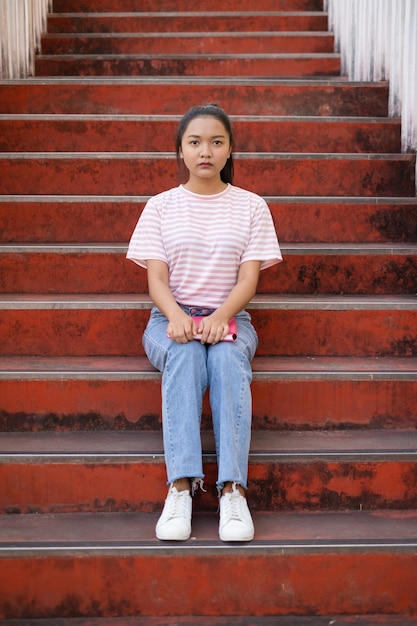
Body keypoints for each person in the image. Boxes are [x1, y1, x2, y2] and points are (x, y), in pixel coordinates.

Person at [127, 103, 282, 542]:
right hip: (170, 318)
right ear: (181, 150)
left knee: (229, 361)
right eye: (195, 142)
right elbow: (156, 278)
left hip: (231, 316)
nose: (206, 151)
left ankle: (233, 491)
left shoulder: (251, 207)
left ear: (230, 149)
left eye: (216, 142)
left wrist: (221, 316)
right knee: (186, 354)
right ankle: (180, 489)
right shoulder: (160, 207)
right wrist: (177, 316)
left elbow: (249, 279)